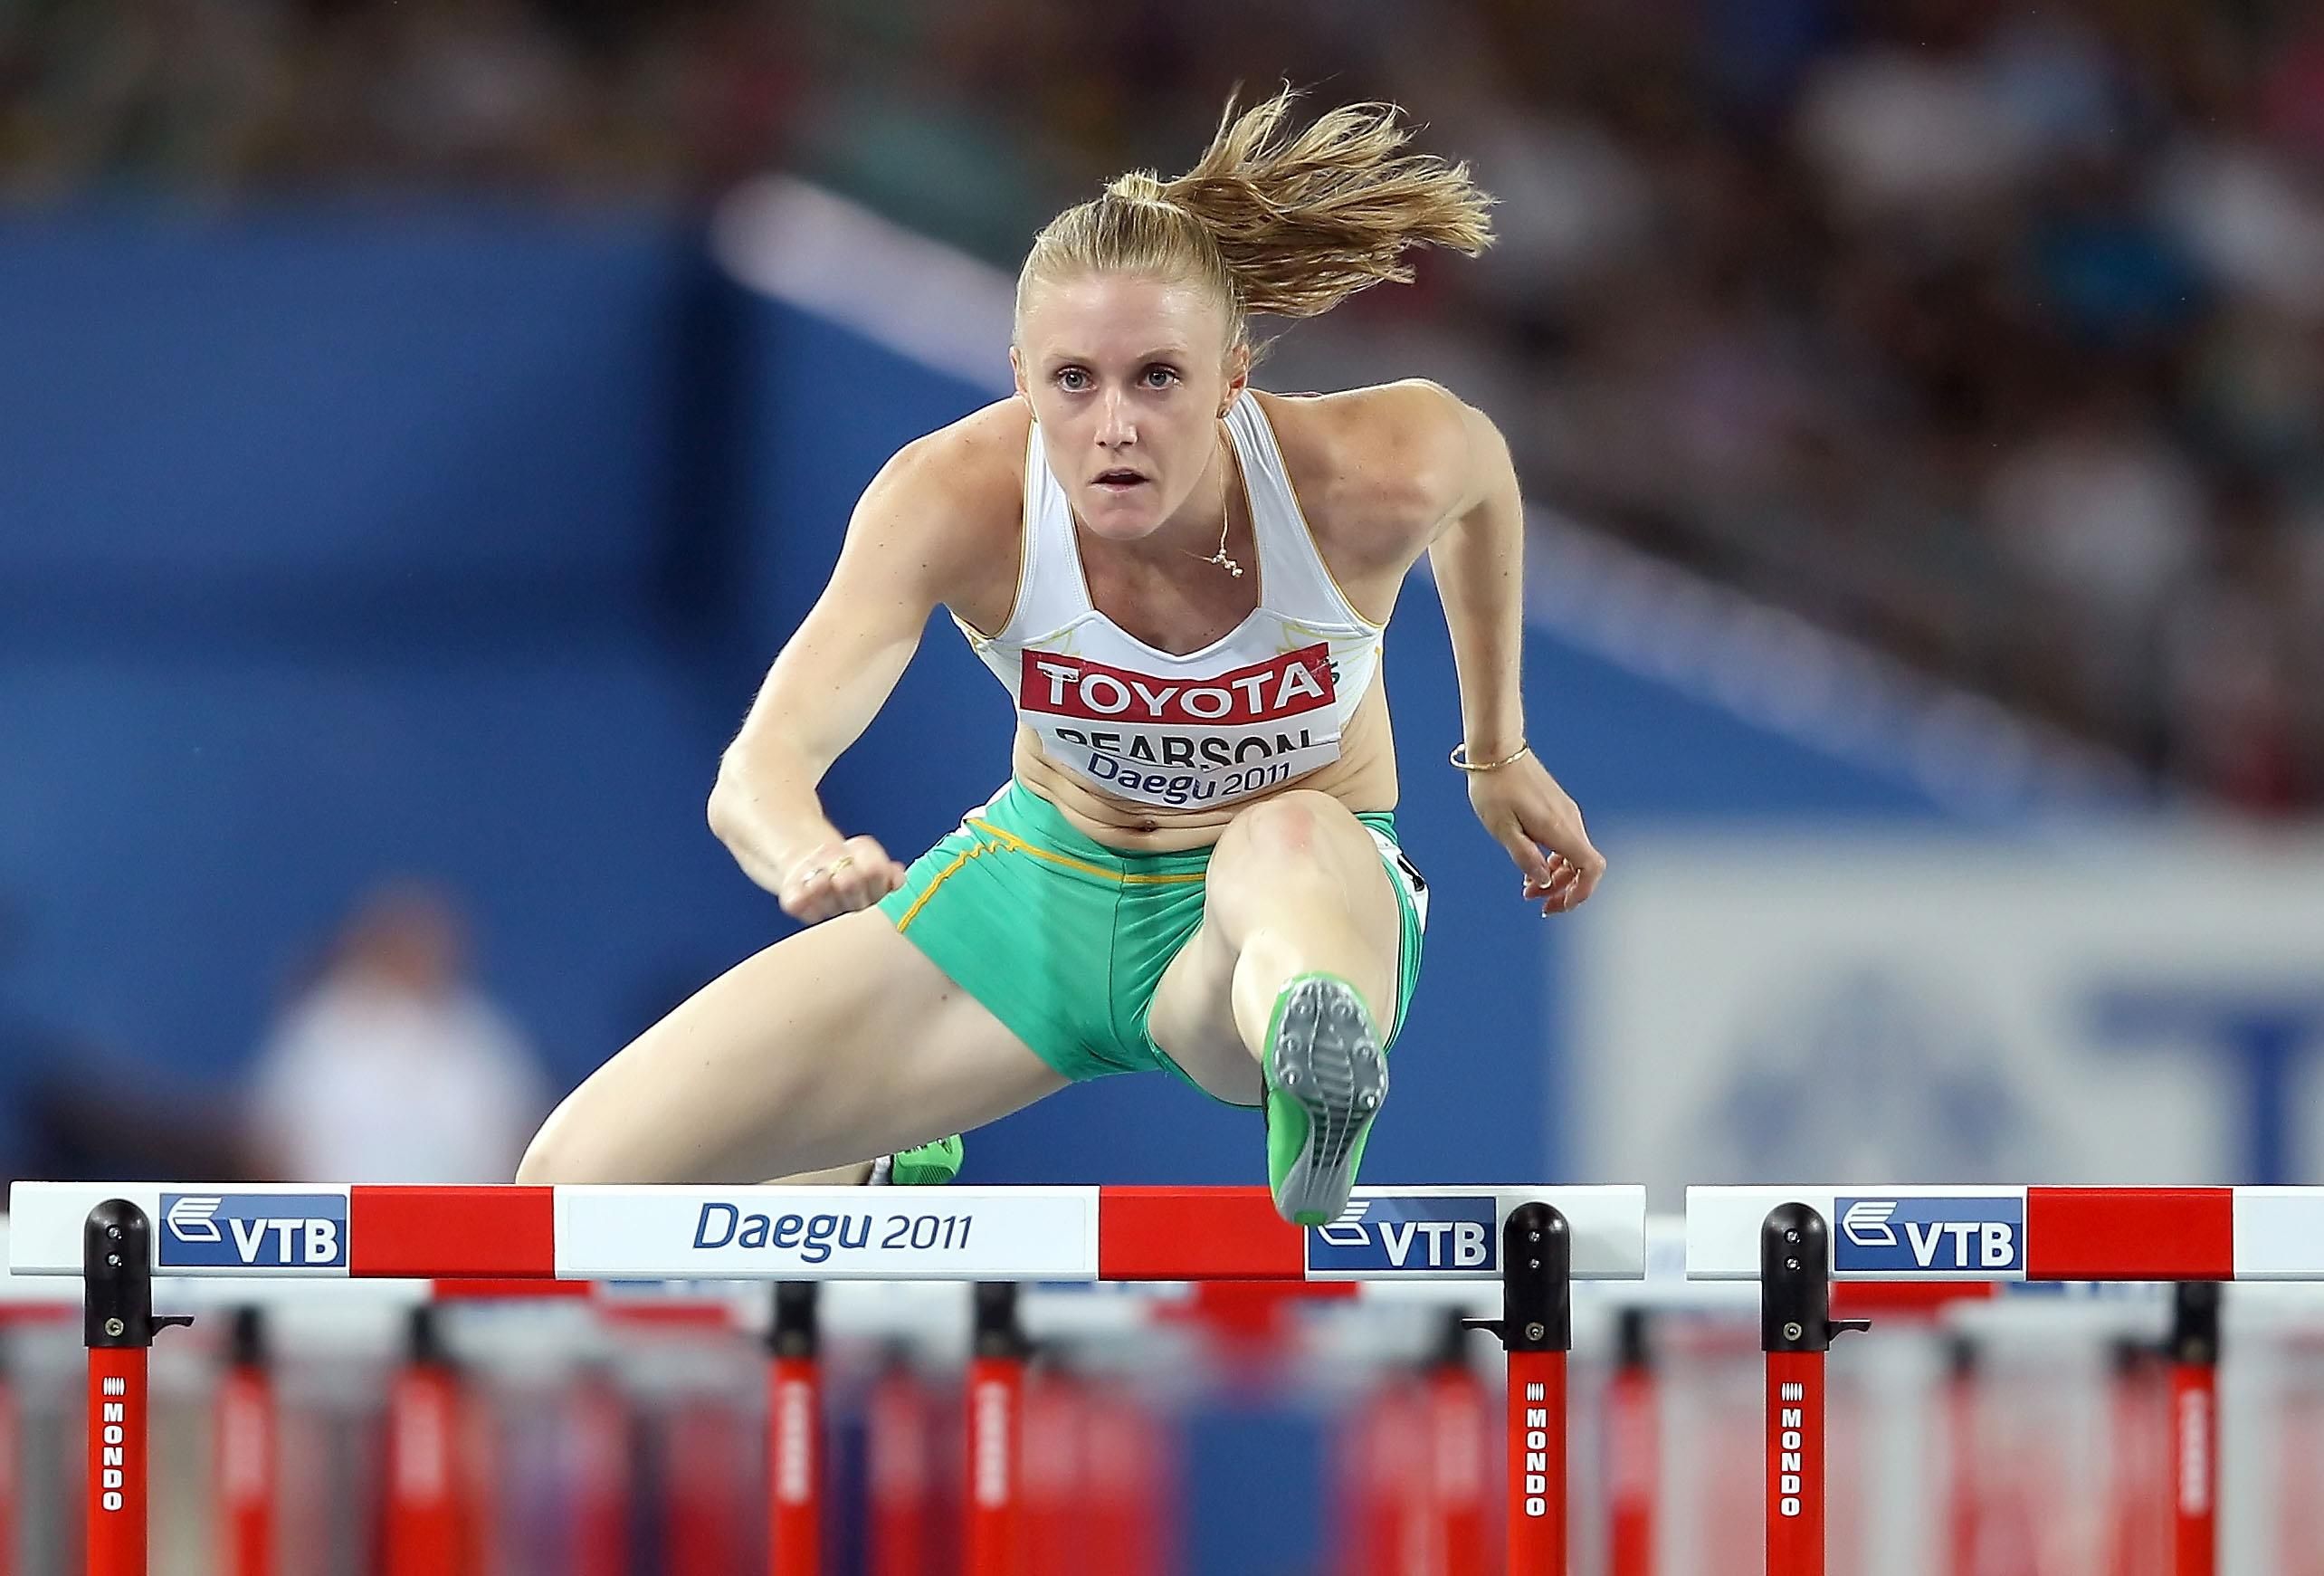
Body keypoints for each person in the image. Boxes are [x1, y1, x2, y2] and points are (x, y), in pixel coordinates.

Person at [517, 89, 1606, 1224]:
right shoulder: (955, 496)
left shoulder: (1362, 473)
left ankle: (1314, 1063)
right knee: (567, 1185)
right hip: (1037, 896)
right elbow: (761, 764)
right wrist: (806, 854)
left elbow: (1483, 481)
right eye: (1073, 382)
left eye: (1158, 379)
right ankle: (884, 1154)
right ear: (1021, 377)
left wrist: (1495, 751)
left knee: (1275, 846)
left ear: (1233, 374)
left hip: (1283, 902)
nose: (1116, 425)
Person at [249, 880, 550, 1184]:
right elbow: (270, 1138)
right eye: (402, 941)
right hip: (345, 1219)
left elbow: (523, 1135)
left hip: (460, 1219)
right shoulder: (320, 1031)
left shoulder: (483, 1035)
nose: (415, 953)